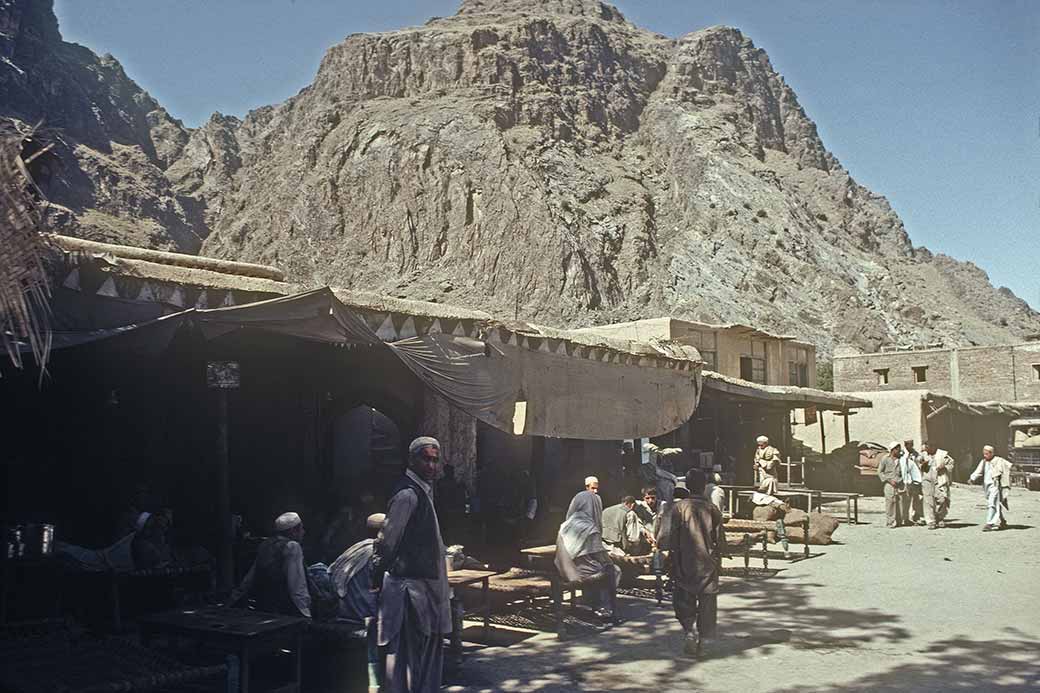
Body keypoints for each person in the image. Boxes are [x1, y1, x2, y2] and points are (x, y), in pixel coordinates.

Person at [371, 437, 451, 693]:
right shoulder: (407, 494)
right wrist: (376, 576)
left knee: (421, 655)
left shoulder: (423, 491)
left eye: (435, 460)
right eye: (425, 459)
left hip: (424, 587)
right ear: (412, 460)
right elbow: (387, 542)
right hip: (408, 590)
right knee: (405, 657)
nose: (431, 465)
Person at [659, 469, 723, 658]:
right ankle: (704, 642)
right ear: (704, 486)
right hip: (707, 564)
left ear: (687, 485)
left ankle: (689, 631)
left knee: (683, 601)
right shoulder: (712, 509)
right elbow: (720, 540)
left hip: (683, 562)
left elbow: (666, 537)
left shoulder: (677, 508)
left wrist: (669, 556)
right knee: (707, 603)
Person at [329, 513, 385, 693]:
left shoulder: (355, 548)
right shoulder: (376, 552)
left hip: (345, 607)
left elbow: (332, 571)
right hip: (363, 613)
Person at [228, 511, 312, 617]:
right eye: (301, 528)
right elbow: (296, 583)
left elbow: (250, 577)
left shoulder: (266, 544)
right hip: (285, 608)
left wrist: (233, 599)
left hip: (264, 606)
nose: (303, 532)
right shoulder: (292, 547)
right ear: (293, 531)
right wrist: (305, 612)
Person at [554, 486, 620, 621]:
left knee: (595, 566)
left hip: (562, 570)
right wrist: (610, 561)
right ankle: (604, 608)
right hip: (578, 574)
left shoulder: (566, 525)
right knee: (613, 570)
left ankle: (591, 602)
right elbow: (600, 556)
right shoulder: (589, 527)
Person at [969, 445, 1012, 531]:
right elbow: (978, 471)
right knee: (995, 503)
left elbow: (1008, 466)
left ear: (992, 453)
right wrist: (972, 478)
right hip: (987, 486)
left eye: (987, 454)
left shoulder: (999, 460)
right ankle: (1003, 521)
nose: (985, 455)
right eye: (984, 454)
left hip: (996, 485)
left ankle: (989, 523)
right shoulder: (984, 462)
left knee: (992, 503)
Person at [920, 442, 954, 529]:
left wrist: (944, 467)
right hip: (927, 480)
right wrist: (923, 464)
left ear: (933, 447)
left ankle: (940, 517)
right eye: (926, 448)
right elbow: (918, 464)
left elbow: (951, 463)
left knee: (942, 499)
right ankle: (931, 521)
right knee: (928, 501)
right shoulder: (923, 455)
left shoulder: (942, 454)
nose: (926, 450)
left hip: (939, 480)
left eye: (928, 448)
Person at [750, 492, 791, 559]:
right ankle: (785, 550)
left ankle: (766, 536)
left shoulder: (761, 501)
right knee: (775, 523)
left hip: (761, 522)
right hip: (769, 520)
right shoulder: (770, 502)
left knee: (767, 525)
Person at [877, 442, 905, 529]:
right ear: (893, 450)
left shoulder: (902, 459)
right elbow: (880, 472)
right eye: (897, 449)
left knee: (900, 502)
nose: (899, 451)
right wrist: (889, 480)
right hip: (889, 484)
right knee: (890, 503)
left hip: (900, 483)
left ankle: (899, 521)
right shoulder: (885, 458)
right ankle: (890, 522)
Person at [901, 439, 924, 526]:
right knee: (906, 500)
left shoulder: (915, 454)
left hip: (914, 479)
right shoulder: (902, 454)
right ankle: (905, 518)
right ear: (905, 445)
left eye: (912, 444)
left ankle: (915, 517)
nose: (911, 446)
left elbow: (919, 463)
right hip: (906, 479)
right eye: (909, 444)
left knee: (916, 499)